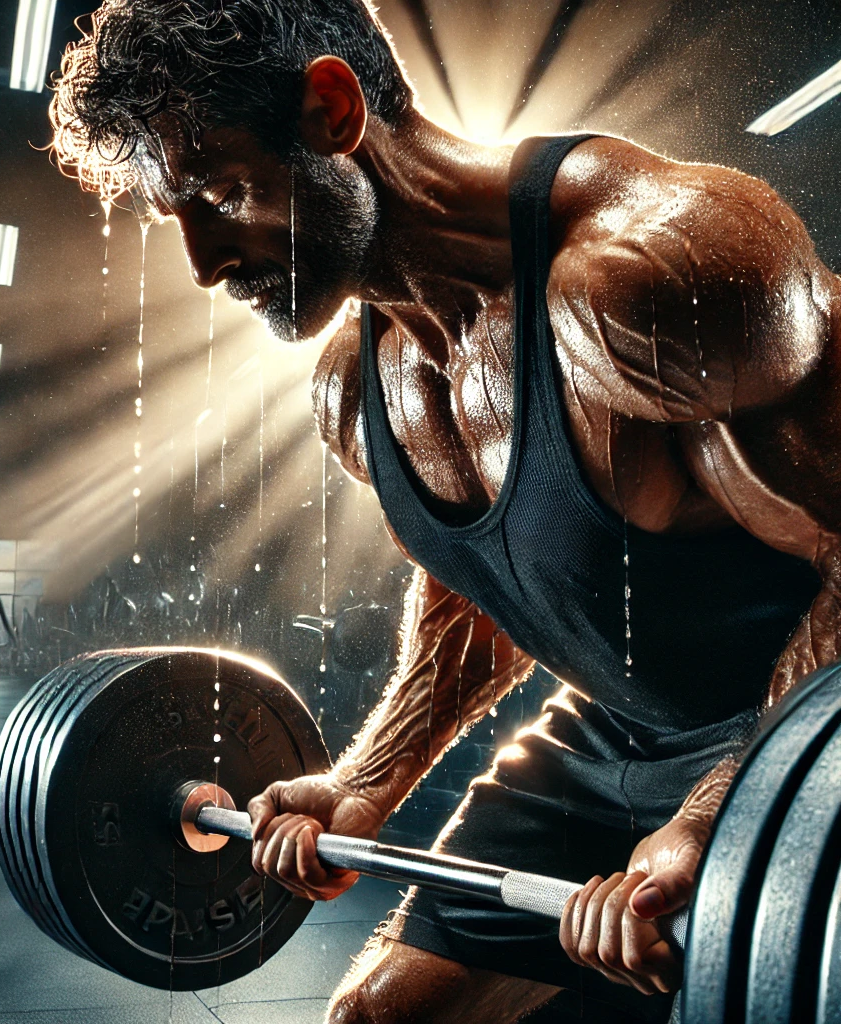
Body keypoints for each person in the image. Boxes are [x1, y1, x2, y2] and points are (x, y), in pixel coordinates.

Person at [49, 2, 840, 1020]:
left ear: (332, 109)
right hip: (609, 737)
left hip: (805, 728)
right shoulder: (363, 383)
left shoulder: (647, 283)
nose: (204, 264)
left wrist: (725, 808)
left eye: (225, 192)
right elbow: (483, 592)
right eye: (180, 218)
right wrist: (366, 782)